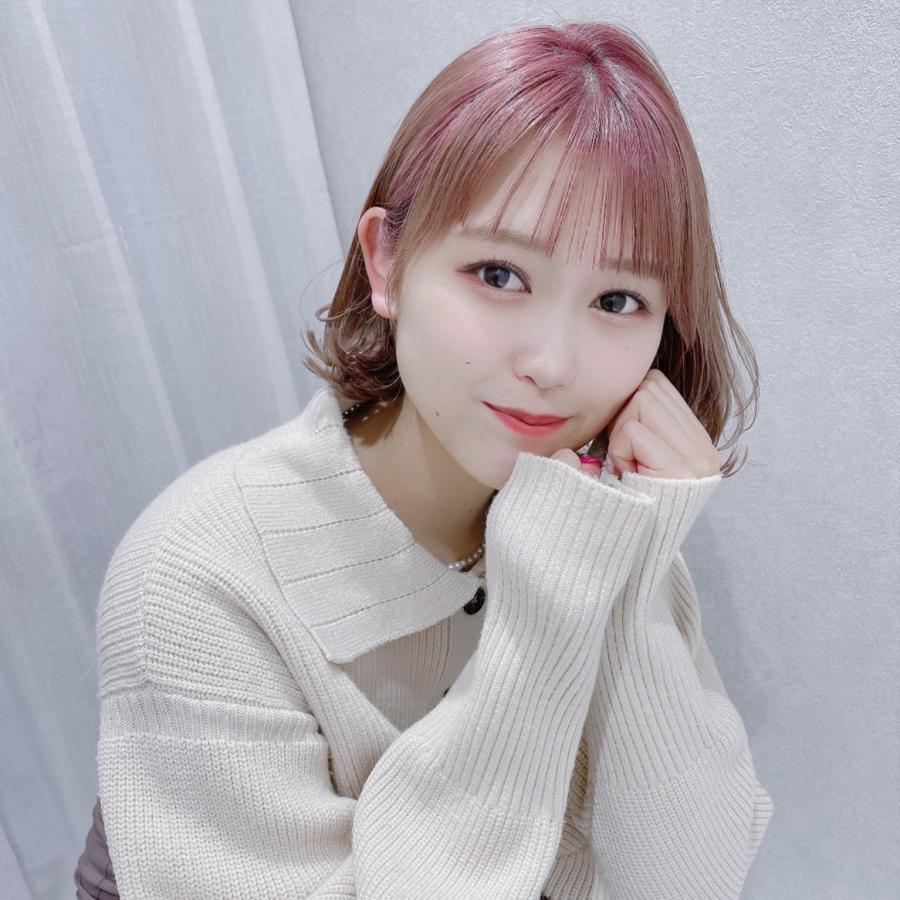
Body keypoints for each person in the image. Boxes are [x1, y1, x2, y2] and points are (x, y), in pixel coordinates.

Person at [75, 19, 773, 899]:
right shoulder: (199, 578)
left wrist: (633, 557)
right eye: (500, 275)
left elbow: (686, 880)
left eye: (618, 299)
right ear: (387, 262)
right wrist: (549, 609)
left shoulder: (595, 508)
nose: (552, 363)